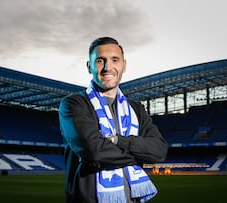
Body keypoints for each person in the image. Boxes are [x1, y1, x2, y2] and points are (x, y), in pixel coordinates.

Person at [59, 37, 168, 203]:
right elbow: (94, 152)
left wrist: (118, 140)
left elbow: (159, 150)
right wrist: (140, 155)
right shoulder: (74, 104)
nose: (107, 67)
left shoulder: (136, 109)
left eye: (114, 60)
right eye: (100, 61)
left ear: (124, 65)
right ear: (89, 67)